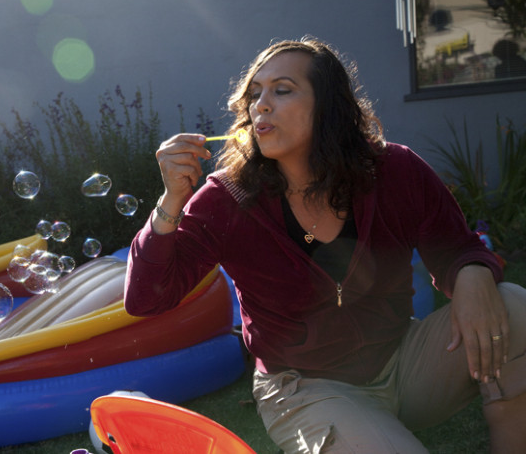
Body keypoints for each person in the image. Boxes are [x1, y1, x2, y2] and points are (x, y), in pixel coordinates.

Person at [123, 37, 526, 453]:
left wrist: (474, 275)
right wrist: (171, 200)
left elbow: (457, 249)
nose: (260, 104)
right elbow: (146, 298)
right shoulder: (229, 200)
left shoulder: (394, 171)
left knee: (512, 305)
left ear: (328, 105)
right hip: (306, 389)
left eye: (282, 90)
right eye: (254, 94)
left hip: (402, 362)